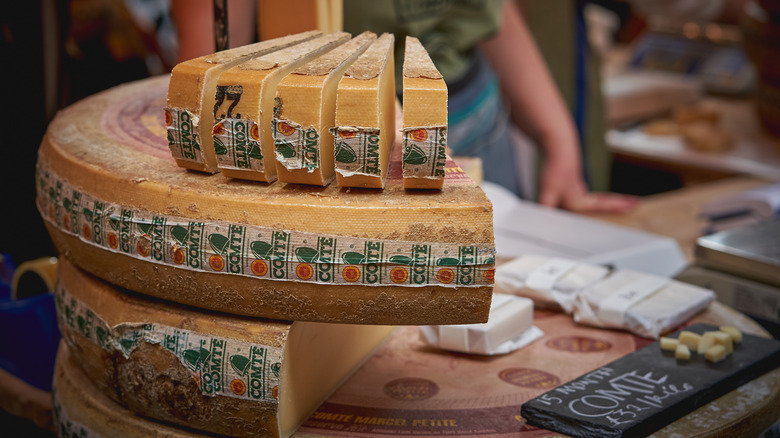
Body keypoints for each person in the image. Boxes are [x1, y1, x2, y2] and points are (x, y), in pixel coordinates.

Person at [170, 0, 638, 213]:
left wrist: (559, 140)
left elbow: (490, 13)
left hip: (474, 113)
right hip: (336, 140)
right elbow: (211, 59)